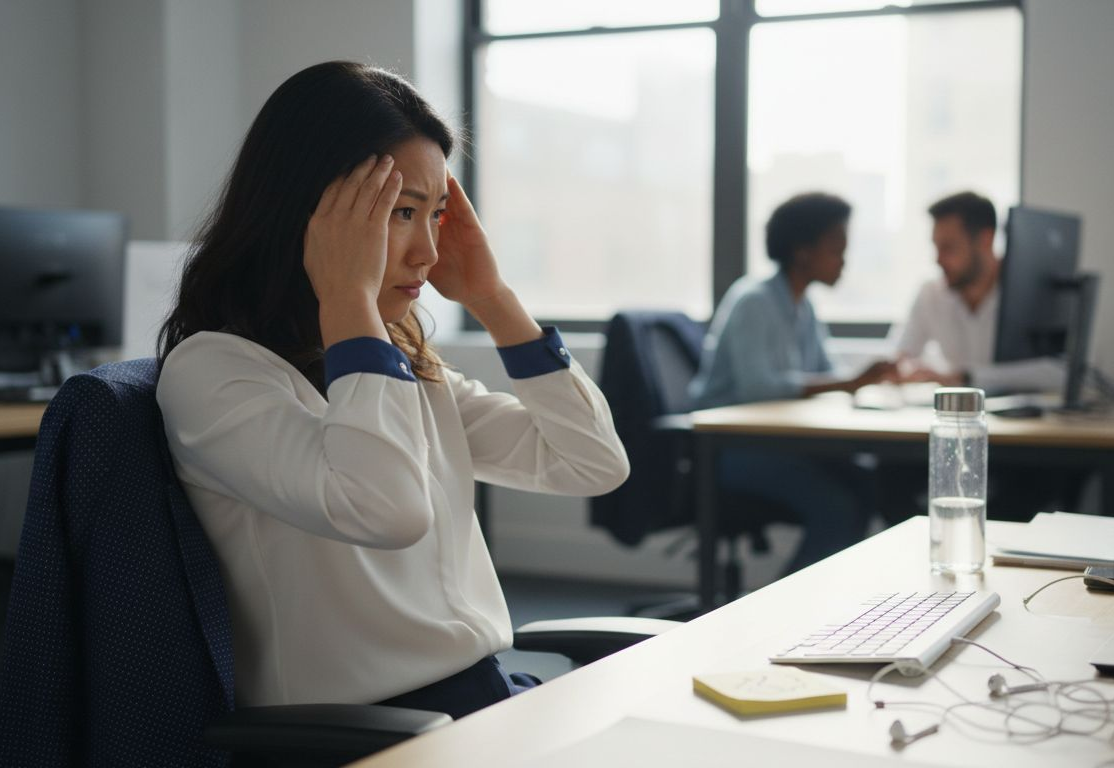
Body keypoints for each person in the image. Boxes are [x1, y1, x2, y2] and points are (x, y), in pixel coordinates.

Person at [154, 61, 629, 720]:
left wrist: (492, 298)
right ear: (306, 213)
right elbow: (384, 511)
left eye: (435, 214)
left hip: (483, 701)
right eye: (401, 212)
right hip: (371, 731)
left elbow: (591, 462)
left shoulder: (400, 361)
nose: (428, 251)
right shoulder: (215, 372)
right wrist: (348, 295)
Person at [688, 192, 890, 574]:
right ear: (802, 251)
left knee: (867, 482)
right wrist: (847, 383)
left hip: (781, 444)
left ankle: (834, 602)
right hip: (732, 450)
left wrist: (864, 382)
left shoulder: (804, 307)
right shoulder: (753, 302)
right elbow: (758, 388)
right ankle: (785, 613)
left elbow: (827, 373)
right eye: (836, 248)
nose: (843, 261)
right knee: (837, 505)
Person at [890, 191, 1063, 393]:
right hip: (957, 417)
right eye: (936, 247)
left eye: (948, 248)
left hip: (1024, 420)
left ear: (985, 240)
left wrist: (966, 377)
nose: (937, 260)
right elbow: (902, 356)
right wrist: (912, 370)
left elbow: (1061, 372)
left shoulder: (1032, 292)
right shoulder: (931, 293)